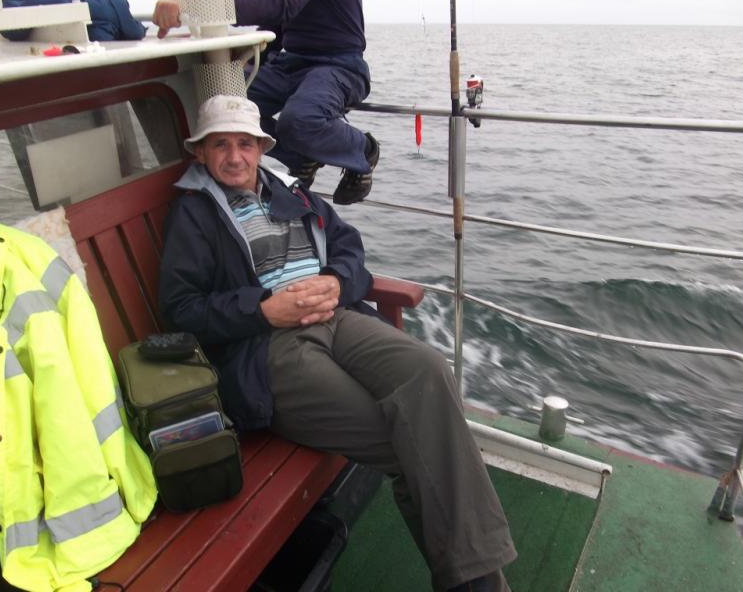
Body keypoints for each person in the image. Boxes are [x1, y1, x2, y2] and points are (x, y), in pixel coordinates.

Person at [158, 95, 517, 592]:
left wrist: (335, 282)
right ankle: (481, 586)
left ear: (261, 149)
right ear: (200, 152)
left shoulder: (289, 190)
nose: (235, 157)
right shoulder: (194, 213)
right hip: (269, 347)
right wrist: (262, 309)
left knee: (429, 370)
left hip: (339, 317)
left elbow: (348, 247)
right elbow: (182, 310)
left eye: (245, 143)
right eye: (220, 145)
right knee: (415, 443)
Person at [152, 0, 379, 205]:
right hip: (291, 62)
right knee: (223, 109)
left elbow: (281, 2)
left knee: (299, 120)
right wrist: (251, 60)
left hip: (339, 64)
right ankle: (302, 157)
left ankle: (364, 150)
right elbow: (279, 20)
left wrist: (192, 7)